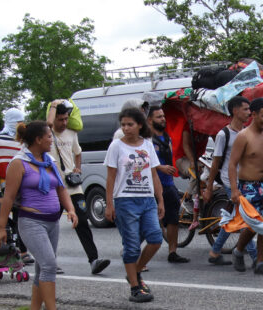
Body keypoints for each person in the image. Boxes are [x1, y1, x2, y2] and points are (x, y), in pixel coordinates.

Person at [0, 120, 78, 310]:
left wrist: (71, 209)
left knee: (42, 268)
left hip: (52, 222)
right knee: (49, 266)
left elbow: (61, 188)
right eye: (49, 136)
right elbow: (8, 198)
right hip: (31, 221)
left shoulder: (50, 161)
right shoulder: (18, 163)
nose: (52, 140)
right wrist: (1, 228)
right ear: (38, 139)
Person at [104, 108, 165, 303]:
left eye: (130, 124)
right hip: (125, 200)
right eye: (123, 125)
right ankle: (135, 286)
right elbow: (111, 177)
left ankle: (135, 271)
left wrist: (160, 199)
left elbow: (154, 174)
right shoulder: (116, 146)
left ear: (140, 124)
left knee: (155, 238)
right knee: (131, 246)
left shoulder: (147, 144)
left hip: (147, 199)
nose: (126, 128)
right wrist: (109, 204)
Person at [46, 99, 111, 274]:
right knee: (51, 225)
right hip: (53, 187)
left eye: (66, 118)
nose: (64, 123)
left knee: (82, 221)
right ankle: (49, 262)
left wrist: (78, 168)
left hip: (72, 186)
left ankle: (94, 260)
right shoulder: (46, 133)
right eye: (60, 119)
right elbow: (48, 124)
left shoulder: (71, 133)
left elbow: (78, 152)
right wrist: (53, 106)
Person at [202, 96, 258, 265]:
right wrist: (209, 186)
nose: (249, 113)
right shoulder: (223, 134)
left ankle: (214, 252)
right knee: (245, 217)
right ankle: (255, 257)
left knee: (233, 218)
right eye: (245, 109)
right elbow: (216, 162)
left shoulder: (247, 132)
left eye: (249, 109)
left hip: (245, 180)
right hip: (229, 181)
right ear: (235, 111)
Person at [228, 98, 263, 275]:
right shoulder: (243, 136)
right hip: (249, 186)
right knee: (255, 224)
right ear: (254, 115)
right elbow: (232, 164)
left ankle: (260, 262)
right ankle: (238, 250)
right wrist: (234, 189)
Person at [145, 104, 190, 263]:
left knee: (173, 218)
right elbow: (144, 162)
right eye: (159, 117)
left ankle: (172, 252)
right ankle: (136, 251)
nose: (163, 119)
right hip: (150, 185)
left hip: (168, 184)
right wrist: (160, 168)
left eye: (163, 116)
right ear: (150, 120)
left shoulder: (167, 137)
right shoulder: (145, 139)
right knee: (147, 218)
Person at [0, 108, 33, 264]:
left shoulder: (24, 141)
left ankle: (23, 251)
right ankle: (13, 251)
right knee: (9, 222)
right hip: (5, 187)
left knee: (21, 219)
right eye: (17, 121)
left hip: (23, 186)